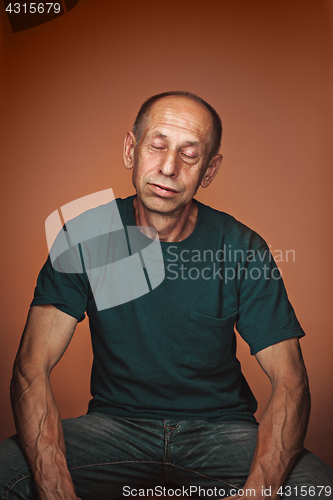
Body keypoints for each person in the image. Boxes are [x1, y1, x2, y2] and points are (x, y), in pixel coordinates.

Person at [0, 91, 332, 500]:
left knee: (314, 489)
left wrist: (259, 491)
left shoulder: (240, 247)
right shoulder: (87, 237)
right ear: (131, 149)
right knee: (8, 473)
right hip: (114, 429)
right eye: (157, 146)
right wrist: (54, 487)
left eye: (190, 155)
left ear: (209, 171)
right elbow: (30, 368)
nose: (169, 167)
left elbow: (291, 380)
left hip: (221, 432)